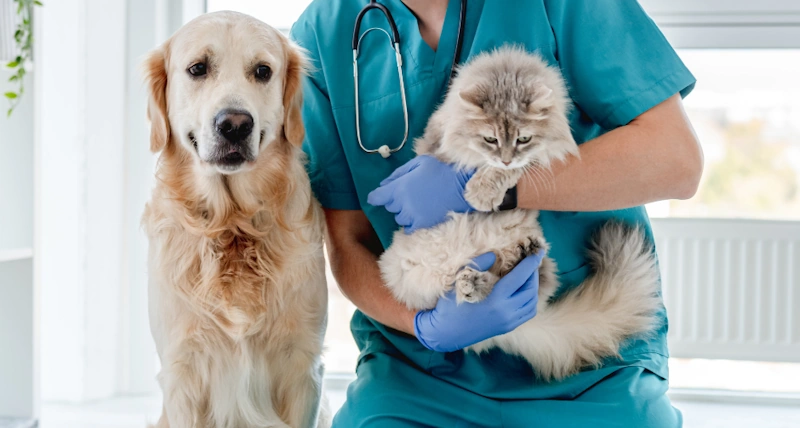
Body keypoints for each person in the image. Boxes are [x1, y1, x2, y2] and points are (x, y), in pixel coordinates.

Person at [290, 0, 703, 426]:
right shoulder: (326, 31)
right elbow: (346, 242)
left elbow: (676, 161)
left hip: (592, 365)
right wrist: (425, 325)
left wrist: (497, 188)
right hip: (418, 369)